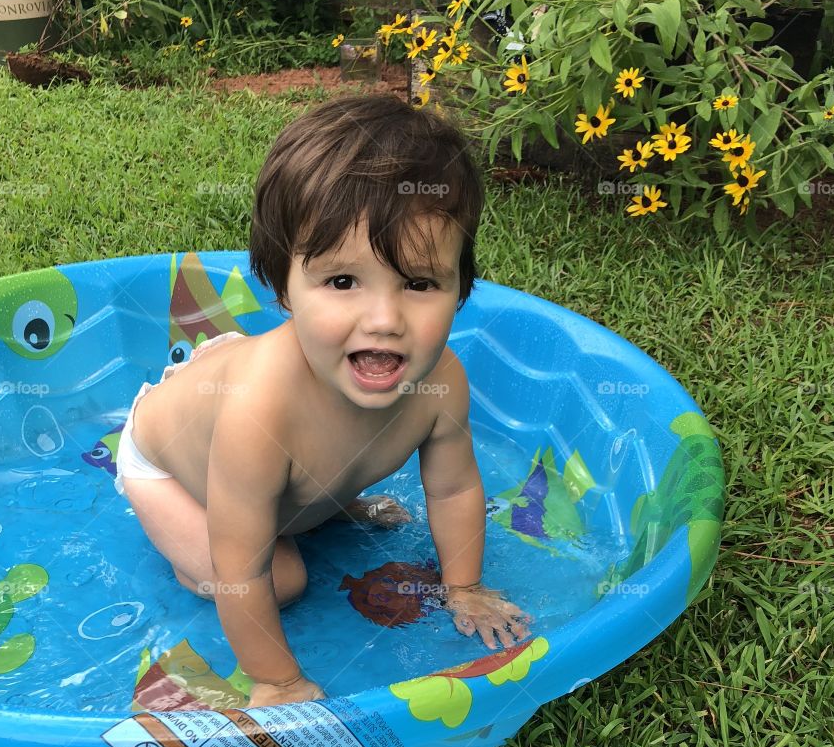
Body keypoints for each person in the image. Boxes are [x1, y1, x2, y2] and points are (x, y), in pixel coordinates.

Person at [115, 93, 531, 707]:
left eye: (419, 284)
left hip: (268, 441)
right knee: (281, 576)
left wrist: (462, 586)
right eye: (342, 282)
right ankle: (188, 552)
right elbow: (244, 575)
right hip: (172, 463)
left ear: (461, 288)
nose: (384, 319)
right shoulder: (259, 413)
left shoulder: (440, 383)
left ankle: (322, 504)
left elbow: (453, 490)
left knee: (299, 488)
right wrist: (278, 680)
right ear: (283, 286)